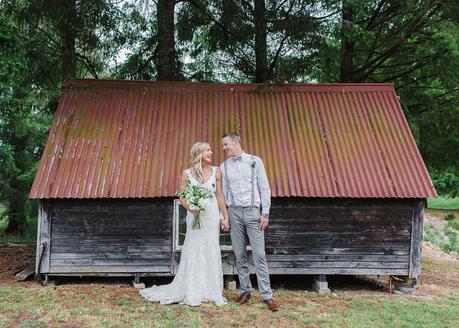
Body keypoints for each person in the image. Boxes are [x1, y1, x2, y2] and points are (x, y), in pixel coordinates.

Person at [140, 142, 229, 306]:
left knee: (210, 247)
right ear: (199, 153)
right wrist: (191, 208)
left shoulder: (217, 171)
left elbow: (219, 195)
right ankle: (192, 288)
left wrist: (225, 217)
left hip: (211, 217)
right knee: (193, 247)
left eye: (210, 149)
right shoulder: (187, 174)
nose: (211, 152)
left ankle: (210, 289)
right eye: (207, 150)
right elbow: (182, 196)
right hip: (194, 217)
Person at [220, 132, 279, 312]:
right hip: (235, 212)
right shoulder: (224, 166)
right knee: (239, 254)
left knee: (259, 255)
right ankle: (245, 290)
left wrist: (265, 213)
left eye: (226, 144)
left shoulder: (255, 161)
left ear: (236, 142)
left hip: (254, 212)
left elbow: (264, 187)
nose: (224, 148)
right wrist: (225, 216)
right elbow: (223, 193)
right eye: (223, 145)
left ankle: (267, 295)